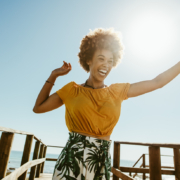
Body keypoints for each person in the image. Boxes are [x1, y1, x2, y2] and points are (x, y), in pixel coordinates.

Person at [33, 28, 180, 180]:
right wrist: (53, 75)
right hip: (70, 162)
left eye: (110, 61)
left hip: (100, 162)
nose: (106, 65)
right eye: (101, 59)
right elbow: (38, 108)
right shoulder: (72, 90)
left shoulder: (117, 91)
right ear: (89, 59)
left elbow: (157, 82)